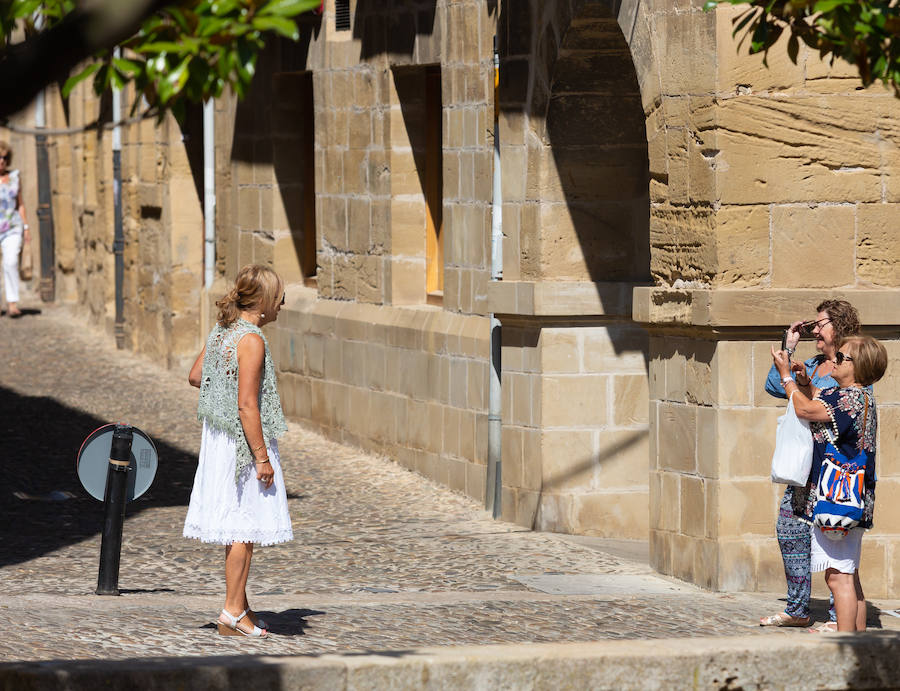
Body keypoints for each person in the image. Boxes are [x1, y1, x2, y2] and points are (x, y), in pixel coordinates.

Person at [184, 264, 292, 638]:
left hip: (219, 439)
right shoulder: (251, 340)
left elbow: (197, 376)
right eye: (279, 297)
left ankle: (240, 606)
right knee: (244, 526)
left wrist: (221, 387)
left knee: (236, 527)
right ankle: (231, 612)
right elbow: (248, 405)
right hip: (241, 445)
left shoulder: (223, 331)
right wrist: (262, 458)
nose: (282, 304)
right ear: (262, 303)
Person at [772, 335, 887, 632]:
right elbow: (820, 404)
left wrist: (787, 378)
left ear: (858, 365)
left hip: (837, 498)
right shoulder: (855, 397)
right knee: (848, 574)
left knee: (838, 577)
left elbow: (806, 410)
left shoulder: (849, 398)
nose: (834, 361)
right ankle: (861, 648)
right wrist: (806, 382)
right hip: (851, 497)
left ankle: (847, 648)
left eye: (842, 358)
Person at [760, 299, 861, 629]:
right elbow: (775, 385)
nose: (814, 330)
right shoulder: (817, 363)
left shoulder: (852, 367)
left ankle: (838, 618)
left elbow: (816, 406)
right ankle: (798, 608)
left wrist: (793, 379)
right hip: (805, 463)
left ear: (839, 326)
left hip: (834, 471)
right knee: (789, 529)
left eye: (821, 324)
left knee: (836, 542)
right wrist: (787, 351)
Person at [0, 142, 30, 318]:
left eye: (4, 157)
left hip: (12, 227)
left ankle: (12, 303)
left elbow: (21, 204)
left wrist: (26, 228)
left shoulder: (15, 178)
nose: (1, 161)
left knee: (10, 262)